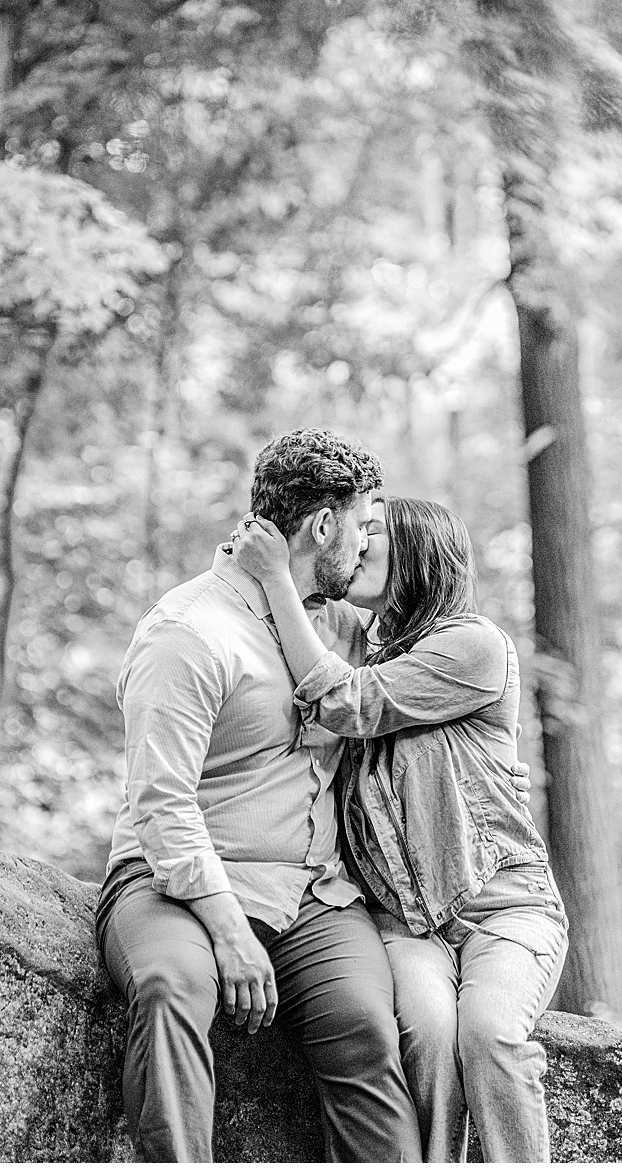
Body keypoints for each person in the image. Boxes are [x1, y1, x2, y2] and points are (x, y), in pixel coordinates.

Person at [96, 428, 423, 1162]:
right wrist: (229, 933)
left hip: (312, 894)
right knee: (173, 984)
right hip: (177, 884)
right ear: (324, 526)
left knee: (368, 1026)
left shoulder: (343, 627)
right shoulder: (187, 632)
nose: (368, 546)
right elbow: (161, 805)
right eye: (364, 527)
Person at [232, 496, 567, 1163]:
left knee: (489, 1034)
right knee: (429, 1037)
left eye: (374, 532)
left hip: (504, 910)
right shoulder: (368, 648)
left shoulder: (475, 646)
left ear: (418, 552)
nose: (357, 542)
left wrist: (274, 577)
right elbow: (302, 623)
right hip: (407, 923)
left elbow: (347, 702)